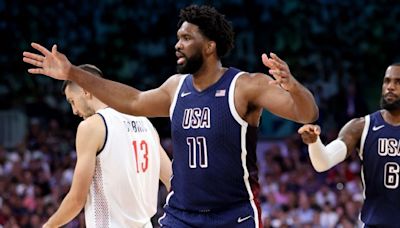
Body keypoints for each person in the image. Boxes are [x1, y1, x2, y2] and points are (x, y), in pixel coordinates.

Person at [23, 5, 318, 228]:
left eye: (187, 38)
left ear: (210, 45)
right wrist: (73, 73)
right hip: (180, 216)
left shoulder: (245, 86)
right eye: (178, 37)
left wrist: (293, 86)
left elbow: (307, 112)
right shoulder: (175, 88)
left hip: (233, 215)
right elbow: (134, 100)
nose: (178, 44)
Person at [42, 64, 172, 228]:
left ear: (86, 90)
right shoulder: (145, 122)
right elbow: (172, 180)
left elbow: (76, 200)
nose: (74, 111)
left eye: (72, 101)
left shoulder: (91, 127)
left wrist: (48, 226)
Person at [298, 63, 400, 227]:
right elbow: (323, 162)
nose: (390, 87)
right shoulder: (362, 126)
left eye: (397, 82)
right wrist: (314, 143)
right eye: (387, 81)